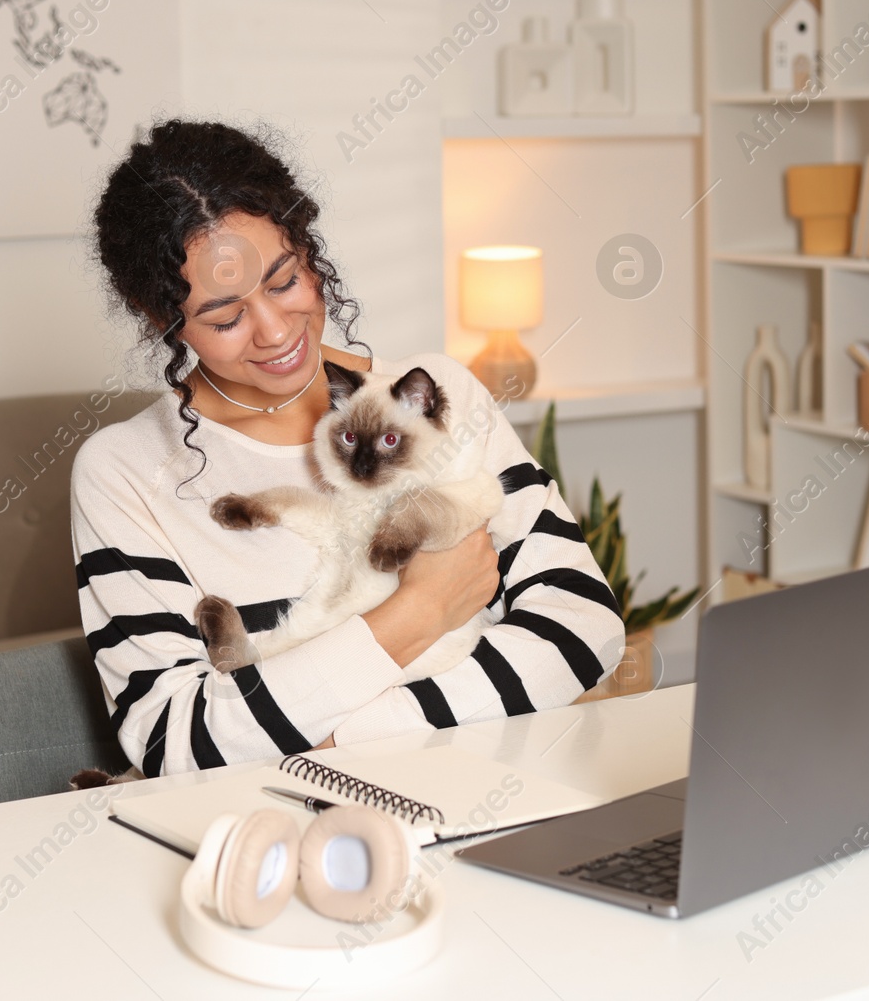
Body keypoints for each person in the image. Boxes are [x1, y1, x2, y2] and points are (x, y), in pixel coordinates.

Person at [73, 118, 626, 777]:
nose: (276, 331)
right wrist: (417, 611)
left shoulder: (436, 396)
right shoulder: (124, 473)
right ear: (161, 315)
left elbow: (582, 624)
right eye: (225, 317)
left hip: (485, 795)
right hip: (275, 831)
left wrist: (354, 738)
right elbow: (177, 745)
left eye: (283, 281)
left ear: (307, 248)